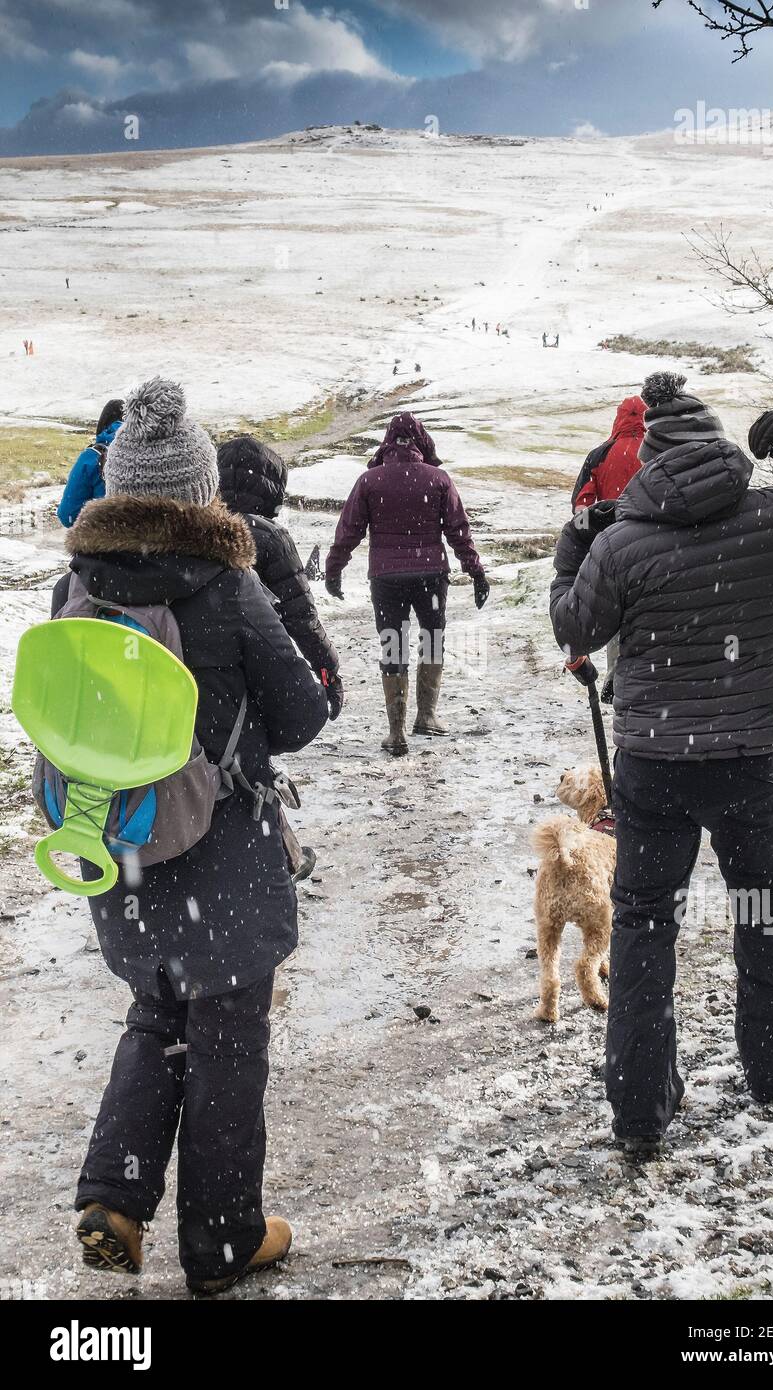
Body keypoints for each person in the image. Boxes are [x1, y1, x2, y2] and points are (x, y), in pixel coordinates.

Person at [549, 371, 773, 1156]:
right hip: (755, 761)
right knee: (763, 912)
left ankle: (639, 1115)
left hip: (654, 768)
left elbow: (572, 628)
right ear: (725, 450)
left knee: (647, 928)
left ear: (653, 459)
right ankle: (769, 1074)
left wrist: (574, 546)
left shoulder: (622, 543)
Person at [59, 377, 328, 1293]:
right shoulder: (228, 582)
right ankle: (221, 1240)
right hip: (225, 853)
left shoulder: (78, 580)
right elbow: (299, 716)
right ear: (199, 488)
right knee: (227, 1035)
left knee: (156, 1012)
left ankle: (116, 1198)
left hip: (119, 841)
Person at [324, 412, 489, 754]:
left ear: (388, 440)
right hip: (430, 575)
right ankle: (427, 716)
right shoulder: (438, 479)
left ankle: (396, 731)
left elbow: (349, 530)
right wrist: (476, 572)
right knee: (432, 639)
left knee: (392, 644)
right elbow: (459, 532)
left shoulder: (370, 481)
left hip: (386, 577)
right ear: (421, 440)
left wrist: (334, 569)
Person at [216, 434, 342, 721]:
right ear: (271, 485)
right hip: (256, 661)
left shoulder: (196, 526)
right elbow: (301, 616)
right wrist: (328, 669)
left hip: (197, 664)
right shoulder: (270, 538)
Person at [572, 395, 646, 702]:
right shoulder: (657, 451)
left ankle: (618, 674)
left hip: (615, 547)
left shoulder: (600, 454)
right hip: (658, 545)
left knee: (619, 612)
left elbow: (580, 505)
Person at [57, 398, 124, 527]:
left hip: (104, 538)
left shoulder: (91, 457)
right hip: (151, 540)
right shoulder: (152, 452)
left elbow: (67, 515)